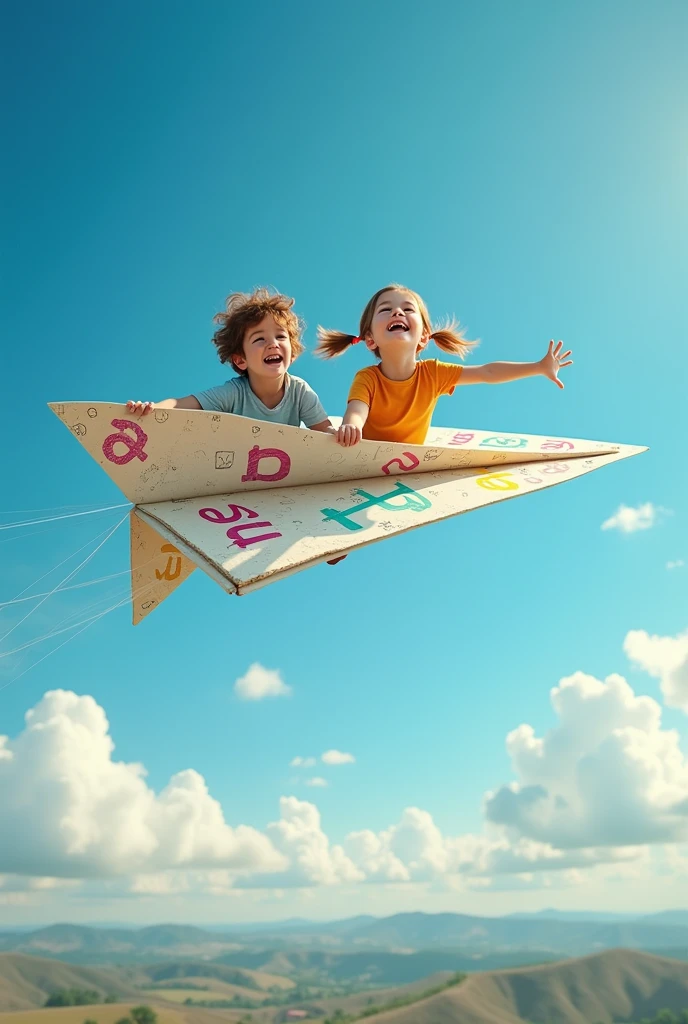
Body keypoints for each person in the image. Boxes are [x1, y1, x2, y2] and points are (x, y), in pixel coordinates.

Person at [315, 284, 572, 446]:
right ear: (370, 339)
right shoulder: (368, 377)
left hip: (407, 462)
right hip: (368, 457)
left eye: (407, 309)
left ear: (424, 336)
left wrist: (538, 367)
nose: (397, 313)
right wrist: (352, 426)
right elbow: (357, 410)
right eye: (386, 310)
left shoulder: (433, 373)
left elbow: (487, 372)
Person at [127, 288, 333, 432]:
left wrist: (343, 434)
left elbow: (326, 432)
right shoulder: (234, 394)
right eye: (260, 339)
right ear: (240, 360)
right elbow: (180, 403)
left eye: (280, 337)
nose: (273, 344)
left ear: (293, 352)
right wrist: (152, 409)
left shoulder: (300, 391)